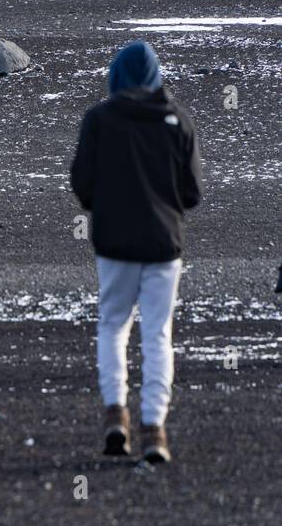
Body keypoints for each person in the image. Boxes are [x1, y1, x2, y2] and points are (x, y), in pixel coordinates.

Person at [69, 41, 202, 465]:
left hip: (115, 243)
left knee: (113, 326)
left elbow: (82, 184)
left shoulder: (100, 120)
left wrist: (107, 208)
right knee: (158, 334)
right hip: (164, 244)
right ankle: (154, 429)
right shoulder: (177, 120)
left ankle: (115, 415)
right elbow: (192, 192)